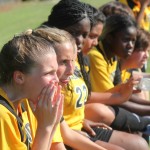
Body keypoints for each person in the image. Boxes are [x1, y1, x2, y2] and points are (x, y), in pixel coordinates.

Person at [42, 0, 149, 149]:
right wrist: (120, 95)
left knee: (140, 144)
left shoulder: (78, 58)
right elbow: (55, 127)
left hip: (76, 126)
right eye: (75, 33)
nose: (82, 40)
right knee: (101, 111)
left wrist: (81, 121)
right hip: (63, 134)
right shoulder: (48, 68)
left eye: (85, 35)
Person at [33, 27, 126, 150]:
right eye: (63, 62)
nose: (71, 70)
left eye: (73, 60)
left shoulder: (50, 93)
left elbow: (65, 134)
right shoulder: (25, 101)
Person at [0, 30, 63, 150]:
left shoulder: (27, 101)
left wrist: (53, 123)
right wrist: (45, 127)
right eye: (49, 73)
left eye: (55, 72)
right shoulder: (2, 115)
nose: (56, 80)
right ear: (19, 77)